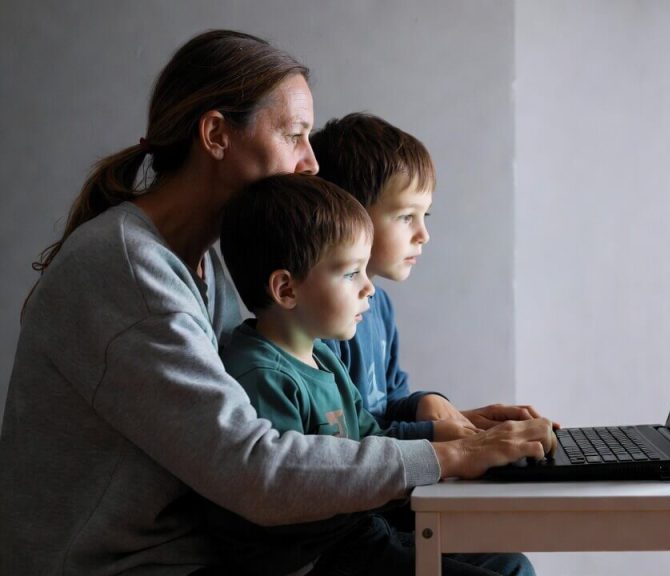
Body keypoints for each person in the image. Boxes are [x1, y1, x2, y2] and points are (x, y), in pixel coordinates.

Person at [0, 30, 553, 575]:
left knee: (500, 564)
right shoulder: (128, 271)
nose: (311, 163)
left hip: (213, 552)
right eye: (295, 135)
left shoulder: (204, 263)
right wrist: (449, 456)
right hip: (137, 566)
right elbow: (253, 468)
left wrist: (452, 433)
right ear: (217, 134)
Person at [212, 172, 534, 575]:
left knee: (512, 565)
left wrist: (450, 434)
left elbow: (372, 439)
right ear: (286, 290)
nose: (368, 288)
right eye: (351, 273)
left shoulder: (323, 359)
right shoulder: (261, 376)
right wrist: (454, 452)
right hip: (316, 557)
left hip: (359, 531)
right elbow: (282, 492)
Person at [312, 113, 545, 443]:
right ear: (350, 216)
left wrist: (423, 403)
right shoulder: (325, 319)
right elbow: (346, 438)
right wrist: (440, 435)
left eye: (425, 216)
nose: (423, 234)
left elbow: (386, 406)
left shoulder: (379, 306)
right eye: (407, 217)